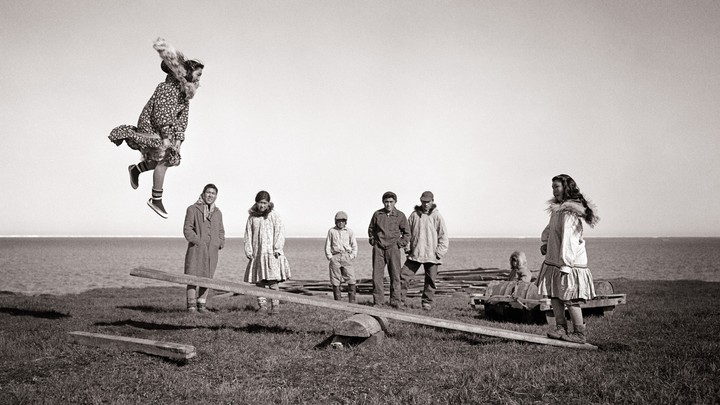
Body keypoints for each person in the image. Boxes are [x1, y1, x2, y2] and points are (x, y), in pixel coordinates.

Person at [109, 38, 204, 219]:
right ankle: (156, 199)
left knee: (170, 158)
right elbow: (162, 115)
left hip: (164, 130)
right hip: (153, 127)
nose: (199, 80)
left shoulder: (184, 95)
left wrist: (178, 142)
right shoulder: (167, 88)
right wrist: (168, 138)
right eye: (198, 75)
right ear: (189, 73)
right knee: (165, 159)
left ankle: (136, 170)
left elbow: (182, 120)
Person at [536, 174, 599, 344]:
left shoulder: (570, 213)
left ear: (566, 188)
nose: (554, 190)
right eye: (553, 187)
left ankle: (579, 333)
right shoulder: (558, 210)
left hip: (568, 262)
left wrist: (566, 264)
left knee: (570, 298)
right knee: (555, 295)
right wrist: (546, 243)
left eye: (557, 186)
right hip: (556, 259)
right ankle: (561, 327)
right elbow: (551, 230)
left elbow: (569, 240)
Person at [400, 191, 449, 311]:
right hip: (415, 254)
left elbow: (443, 236)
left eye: (428, 202)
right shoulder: (414, 215)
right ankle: (398, 301)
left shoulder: (437, 216)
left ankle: (427, 303)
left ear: (432, 201)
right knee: (403, 277)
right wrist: (407, 249)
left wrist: (439, 253)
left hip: (432, 255)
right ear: (420, 201)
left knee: (430, 280)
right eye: (423, 201)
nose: (425, 204)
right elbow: (407, 234)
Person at [244, 191, 291, 314]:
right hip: (257, 254)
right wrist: (249, 249)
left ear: (268, 203)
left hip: (271, 254)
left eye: (264, 203)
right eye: (260, 203)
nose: (262, 205)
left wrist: (277, 248)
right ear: (256, 202)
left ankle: (275, 305)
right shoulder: (252, 217)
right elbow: (248, 234)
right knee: (259, 282)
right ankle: (262, 306)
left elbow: (280, 232)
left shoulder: (274, 215)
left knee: (272, 281)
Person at [183, 184, 225, 313]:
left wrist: (220, 243)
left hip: (212, 252)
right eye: (208, 192)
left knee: (207, 278)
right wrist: (198, 242)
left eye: (213, 193)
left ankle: (202, 305)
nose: (210, 195)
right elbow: (187, 229)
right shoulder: (192, 209)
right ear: (203, 193)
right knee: (192, 277)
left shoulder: (217, 213)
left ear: (216, 196)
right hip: (196, 250)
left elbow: (221, 231)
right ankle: (191, 306)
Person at [368, 191, 410, 307]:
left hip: (393, 249)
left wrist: (400, 244)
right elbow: (371, 229)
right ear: (383, 202)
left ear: (395, 202)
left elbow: (407, 233)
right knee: (377, 276)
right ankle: (378, 302)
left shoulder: (400, 215)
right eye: (386, 202)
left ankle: (395, 302)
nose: (388, 204)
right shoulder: (377, 214)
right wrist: (373, 240)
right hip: (379, 249)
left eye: (391, 202)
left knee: (395, 275)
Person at [325, 211, 358, 303]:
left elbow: (354, 244)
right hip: (335, 256)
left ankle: (352, 302)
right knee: (335, 279)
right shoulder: (331, 231)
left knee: (351, 278)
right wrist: (330, 257)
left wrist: (352, 255)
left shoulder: (349, 232)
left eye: (343, 221)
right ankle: (337, 302)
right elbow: (328, 245)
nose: (341, 223)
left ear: (346, 222)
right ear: (335, 221)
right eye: (339, 221)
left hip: (346, 256)